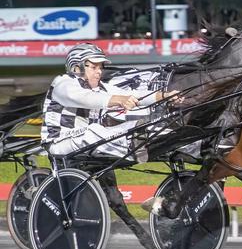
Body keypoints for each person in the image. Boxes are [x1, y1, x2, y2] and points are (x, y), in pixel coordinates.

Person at [41, 43, 181, 161]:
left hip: (86, 143)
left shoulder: (101, 87)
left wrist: (165, 96)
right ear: (77, 68)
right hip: (58, 142)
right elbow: (87, 98)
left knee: (132, 126)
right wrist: (118, 100)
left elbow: (133, 94)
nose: (99, 72)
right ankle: (133, 147)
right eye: (94, 67)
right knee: (94, 131)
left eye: (100, 67)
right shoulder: (62, 83)